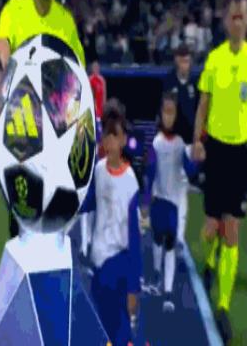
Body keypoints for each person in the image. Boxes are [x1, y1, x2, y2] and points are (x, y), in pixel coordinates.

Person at [0, 0, 85, 238]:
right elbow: (0, 54)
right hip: (22, 162)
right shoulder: (13, 12)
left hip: (58, 170)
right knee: (22, 252)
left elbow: (80, 96)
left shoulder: (66, 24)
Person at [192, 0, 247, 344]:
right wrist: (197, 139)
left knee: (232, 228)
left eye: (242, 16)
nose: (237, 22)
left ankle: (222, 306)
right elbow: (203, 105)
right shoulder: (214, 58)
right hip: (216, 152)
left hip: (242, 156)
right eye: (232, 16)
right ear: (226, 20)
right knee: (211, 226)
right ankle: (207, 263)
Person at [81, 99, 142, 345]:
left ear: (124, 140)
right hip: (98, 262)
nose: (110, 141)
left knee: (119, 331)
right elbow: (88, 202)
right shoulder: (98, 170)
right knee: (102, 327)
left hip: (118, 264)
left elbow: (135, 240)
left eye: (115, 136)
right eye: (106, 135)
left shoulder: (130, 182)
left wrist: (133, 288)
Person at [144, 92, 202, 312]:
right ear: (160, 114)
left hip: (173, 204)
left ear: (177, 115)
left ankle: (168, 292)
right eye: (165, 112)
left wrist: (197, 160)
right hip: (158, 200)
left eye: (172, 112)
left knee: (169, 244)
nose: (168, 116)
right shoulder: (156, 143)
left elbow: (190, 170)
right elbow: (150, 172)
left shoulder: (180, 144)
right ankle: (156, 275)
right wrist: (146, 200)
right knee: (157, 239)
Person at [163, 45, 199, 247]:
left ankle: (179, 235)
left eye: (188, 59)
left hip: (188, 143)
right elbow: (164, 109)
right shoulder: (169, 81)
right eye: (182, 59)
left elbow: (200, 111)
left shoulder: (194, 82)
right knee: (169, 186)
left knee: (183, 187)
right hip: (172, 141)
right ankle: (168, 227)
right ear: (176, 60)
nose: (185, 63)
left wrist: (198, 139)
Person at [89, 61, 107, 155]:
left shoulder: (102, 80)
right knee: (95, 131)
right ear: (92, 69)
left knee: (101, 132)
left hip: (100, 111)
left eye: (97, 67)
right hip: (94, 111)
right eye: (94, 67)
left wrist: (103, 108)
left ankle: (100, 149)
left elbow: (104, 95)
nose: (96, 69)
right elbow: (90, 96)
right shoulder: (90, 79)